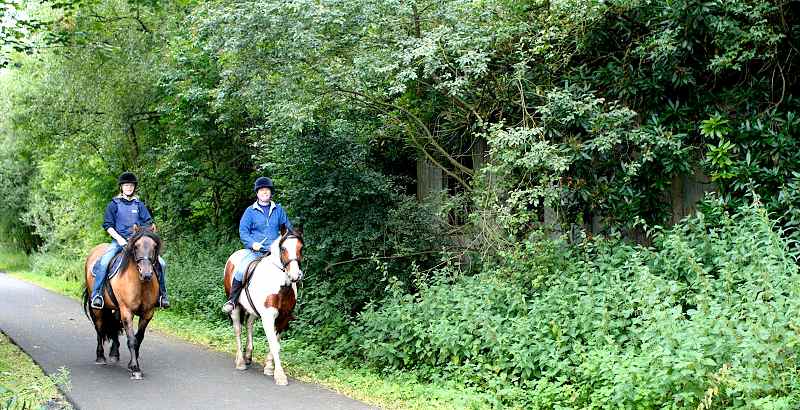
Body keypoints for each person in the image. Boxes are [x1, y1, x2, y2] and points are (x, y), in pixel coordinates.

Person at [90, 172, 169, 309]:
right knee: (104, 262)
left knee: (161, 263)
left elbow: (148, 223)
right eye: (126, 185)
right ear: (121, 187)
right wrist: (120, 239)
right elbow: (108, 225)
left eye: (131, 185)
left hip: (138, 244)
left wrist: (144, 235)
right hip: (119, 241)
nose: (129, 188)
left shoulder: (139, 205)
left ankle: (162, 296)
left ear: (134, 187)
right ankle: (97, 295)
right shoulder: (113, 204)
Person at [222, 176, 293, 314]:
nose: (264, 192)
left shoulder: (278, 210)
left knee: (292, 270)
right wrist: (252, 243)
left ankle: (289, 305)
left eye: (267, 190)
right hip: (256, 251)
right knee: (241, 269)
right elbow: (243, 231)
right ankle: (232, 300)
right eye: (261, 190)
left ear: (271, 192)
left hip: (275, 253)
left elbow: (288, 229)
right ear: (257, 193)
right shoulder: (250, 211)